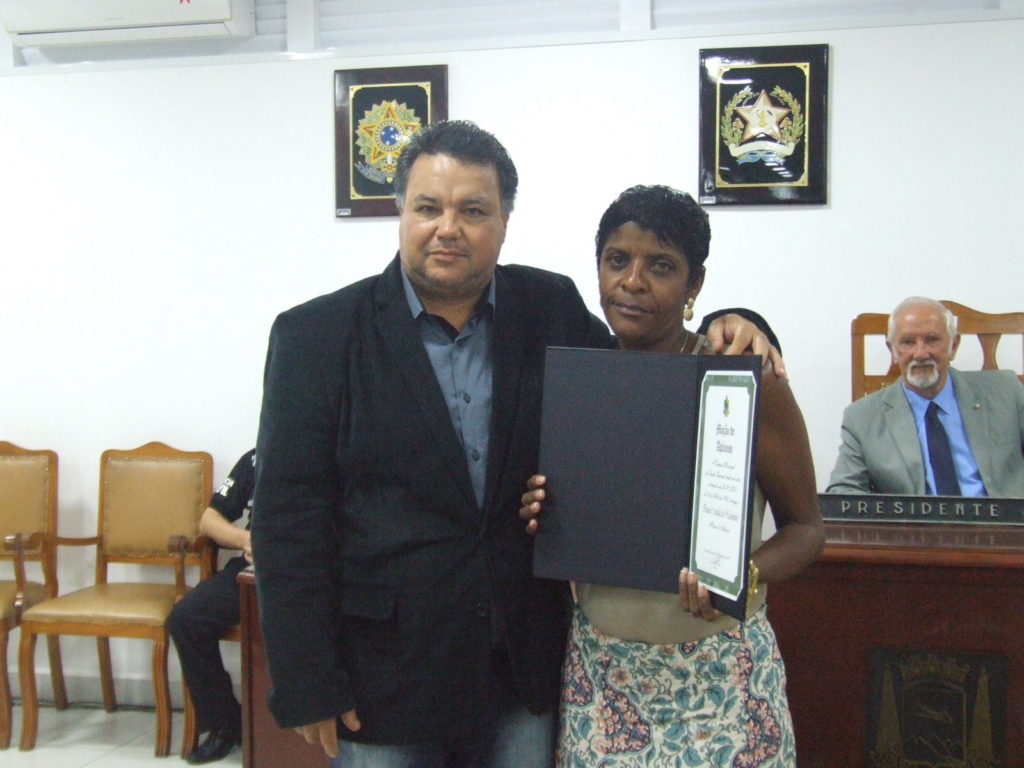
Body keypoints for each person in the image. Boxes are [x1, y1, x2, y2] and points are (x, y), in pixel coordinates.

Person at [251, 120, 784, 768]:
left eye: (473, 210)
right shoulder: (318, 336)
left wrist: (737, 324)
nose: (448, 228)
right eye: (428, 207)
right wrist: (307, 680)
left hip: (519, 673)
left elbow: (643, 372)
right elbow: (287, 523)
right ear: (401, 214)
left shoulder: (549, 305)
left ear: (505, 221)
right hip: (383, 678)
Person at [519, 185, 823, 766]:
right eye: (617, 260)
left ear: (694, 284)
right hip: (601, 681)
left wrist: (739, 578)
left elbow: (807, 530)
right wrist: (542, 509)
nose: (633, 282)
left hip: (721, 681)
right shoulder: (579, 384)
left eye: (660, 266)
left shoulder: (743, 378)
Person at [827, 297, 1024, 496]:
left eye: (932, 340)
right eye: (907, 342)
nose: (920, 354)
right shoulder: (862, 418)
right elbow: (843, 491)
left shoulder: (1007, 392)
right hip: (911, 517)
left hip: (1003, 514)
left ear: (953, 346)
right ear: (892, 350)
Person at [168, 448, 255, 765]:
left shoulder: (337, 453)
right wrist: (245, 540)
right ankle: (226, 724)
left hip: (314, 573)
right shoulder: (258, 458)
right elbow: (209, 519)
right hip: (252, 569)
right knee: (186, 619)